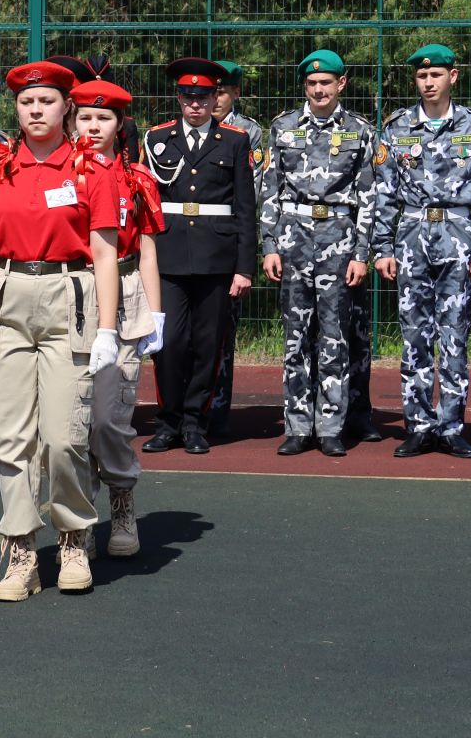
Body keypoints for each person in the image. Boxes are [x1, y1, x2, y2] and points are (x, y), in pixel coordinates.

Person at [0, 61, 121, 599]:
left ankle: (73, 538)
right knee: (11, 436)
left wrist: (107, 330)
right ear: (17, 109)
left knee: (63, 435)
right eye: (27, 103)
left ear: (66, 107)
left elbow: (104, 253)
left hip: (68, 300)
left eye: (47, 102)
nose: (36, 111)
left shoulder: (92, 170)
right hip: (7, 299)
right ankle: (22, 552)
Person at [373, 43, 471, 459]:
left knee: (454, 335)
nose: (428, 82)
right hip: (411, 235)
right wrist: (381, 247)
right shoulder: (396, 128)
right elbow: (384, 193)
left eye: (436, 75)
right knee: (413, 336)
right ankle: (418, 425)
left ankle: (450, 426)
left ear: (453, 77)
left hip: (458, 237)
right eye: (421, 76)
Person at [259, 50, 377, 457]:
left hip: (339, 240)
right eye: (311, 83)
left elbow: (369, 198)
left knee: (334, 336)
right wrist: (269, 245)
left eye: (326, 82)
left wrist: (362, 253)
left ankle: (330, 426)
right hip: (293, 239)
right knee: (295, 338)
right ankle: (297, 424)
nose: (319, 89)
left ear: (341, 84)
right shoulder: (283, 128)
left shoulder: (361, 130)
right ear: (304, 87)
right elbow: (270, 190)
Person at [141, 57, 257, 455]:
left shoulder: (235, 141)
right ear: (178, 98)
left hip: (216, 258)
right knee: (169, 342)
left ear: (214, 99)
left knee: (208, 345)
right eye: (188, 96)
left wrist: (244, 268)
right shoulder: (156, 139)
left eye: (204, 96)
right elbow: (147, 202)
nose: (196, 104)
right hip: (169, 256)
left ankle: (195, 423)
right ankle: (168, 420)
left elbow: (245, 207)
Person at [71, 79, 164, 557]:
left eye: (103, 118)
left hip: (125, 297)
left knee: (110, 418)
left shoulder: (137, 178)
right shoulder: (60, 175)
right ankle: (81, 517)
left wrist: (157, 311)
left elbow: (146, 249)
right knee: (76, 418)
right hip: (70, 294)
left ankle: (122, 500)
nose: (93, 126)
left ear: (120, 124)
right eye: (85, 117)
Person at [206, 59, 264, 439]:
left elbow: (251, 193)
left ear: (235, 93)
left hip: (227, 243)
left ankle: (218, 411)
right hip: (193, 243)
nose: (213, 100)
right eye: (209, 92)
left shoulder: (249, 133)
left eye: (222, 91)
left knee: (223, 332)